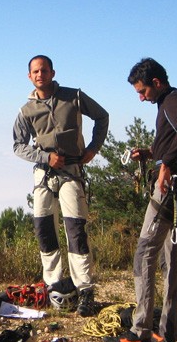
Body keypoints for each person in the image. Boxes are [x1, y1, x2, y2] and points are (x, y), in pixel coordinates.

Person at [105, 57, 177, 342]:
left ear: (156, 83)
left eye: (142, 91)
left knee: (144, 253)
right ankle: (168, 334)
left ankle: (140, 331)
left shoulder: (171, 102)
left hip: (169, 190)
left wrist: (166, 165)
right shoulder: (173, 100)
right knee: (171, 259)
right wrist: (151, 153)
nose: (140, 97)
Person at [13, 55, 109, 317]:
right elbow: (18, 145)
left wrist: (92, 149)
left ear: (53, 73)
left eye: (44, 70)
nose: (40, 74)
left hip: (71, 171)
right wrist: (45, 157)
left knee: (75, 228)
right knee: (44, 229)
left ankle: (85, 290)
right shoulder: (26, 110)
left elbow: (101, 117)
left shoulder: (74, 97)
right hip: (43, 173)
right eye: (35, 71)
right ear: (29, 76)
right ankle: (53, 286)